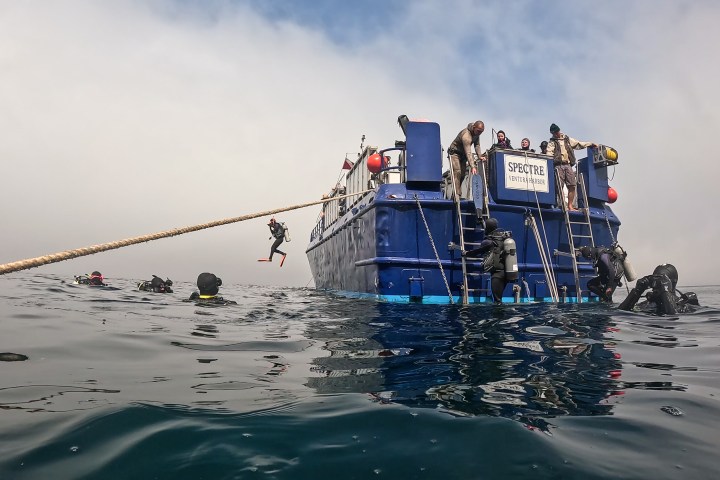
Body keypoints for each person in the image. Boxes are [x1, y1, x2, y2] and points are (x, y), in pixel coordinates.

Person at [462, 218, 517, 304]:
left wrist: (466, 253)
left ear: (487, 228)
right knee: (499, 298)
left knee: (497, 301)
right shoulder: (502, 239)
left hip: (497, 275)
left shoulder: (488, 241)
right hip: (506, 272)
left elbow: (478, 252)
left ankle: (498, 317)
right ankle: (502, 316)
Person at [546, 124, 597, 211]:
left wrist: (590, 144)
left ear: (558, 131)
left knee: (572, 185)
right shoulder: (552, 142)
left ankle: (570, 205)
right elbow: (549, 153)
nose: (554, 134)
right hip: (558, 165)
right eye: (552, 133)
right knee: (559, 186)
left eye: (555, 132)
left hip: (568, 165)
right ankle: (562, 205)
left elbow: (579, 144)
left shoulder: (567, 139)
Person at [618, 264, 699, 315]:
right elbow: (620, 313)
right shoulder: (645, 304)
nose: (657, 284)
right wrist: (637, 291)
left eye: (660, 281)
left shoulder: (684, 303)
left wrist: (665, 289)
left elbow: (673, 317)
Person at [447, 121, 486, 197]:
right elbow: (468, 152)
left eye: (481, 132)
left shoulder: (476, 133)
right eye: (478, 131)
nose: (479, 133)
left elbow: (477, 145)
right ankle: (457, 194)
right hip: (455, 153)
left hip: (463, 155)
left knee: (463, 174)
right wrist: (473, 166)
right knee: (457, 172)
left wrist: (479, 156)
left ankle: (455, 193)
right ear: (474, 128)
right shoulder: (466, 135)